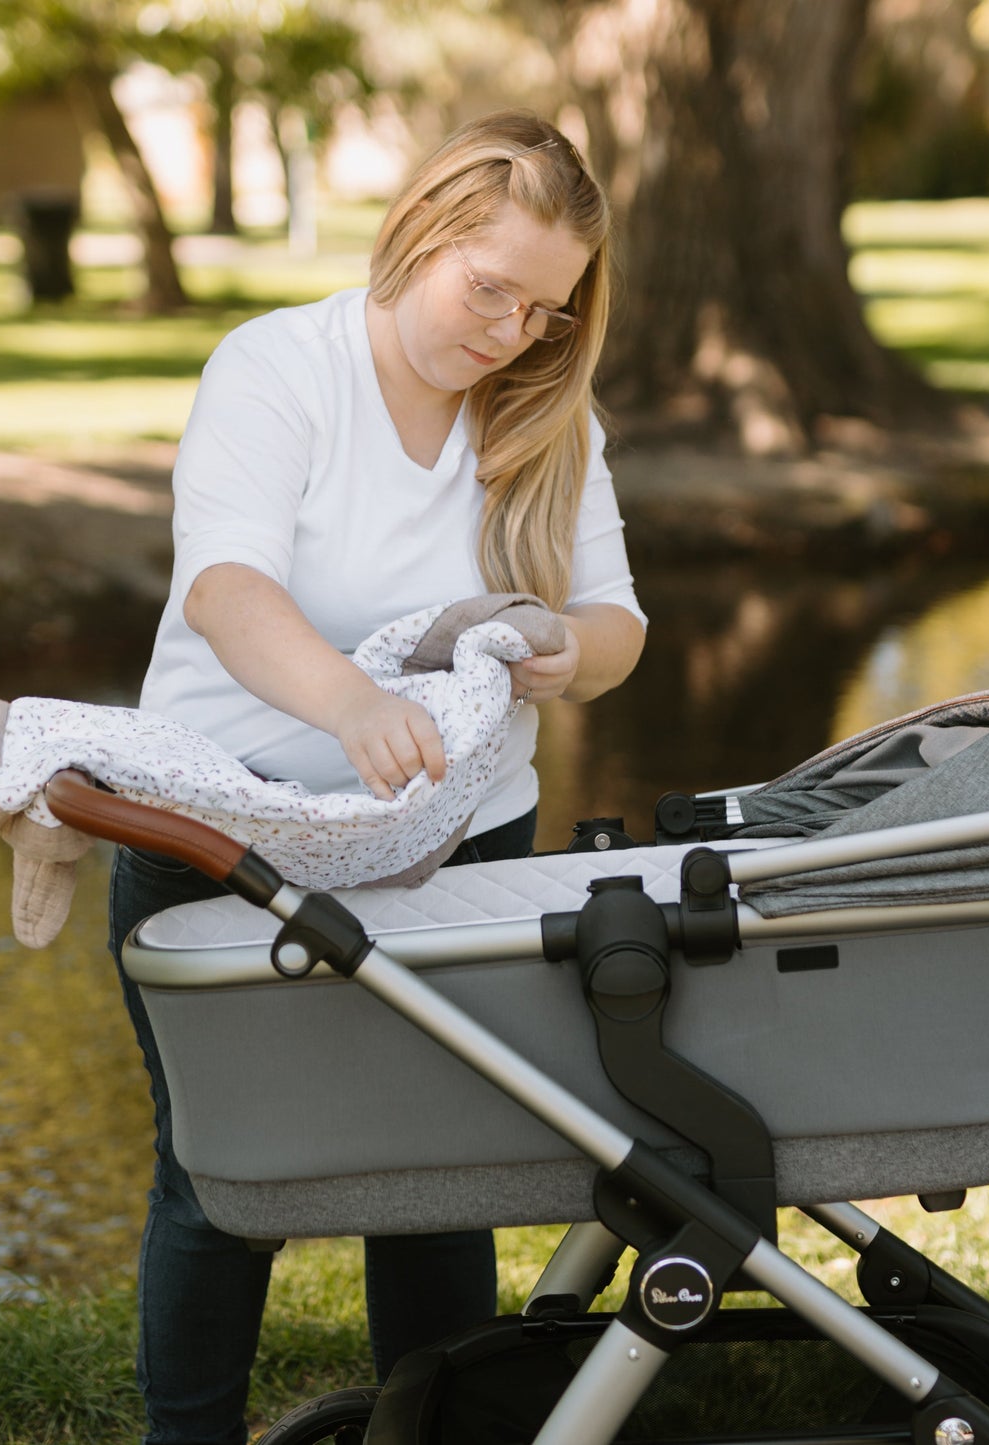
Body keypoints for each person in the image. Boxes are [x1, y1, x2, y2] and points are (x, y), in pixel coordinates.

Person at [108, 108, 647, 1445]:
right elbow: (226, 588)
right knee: (223, 1175)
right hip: (225, 832)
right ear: (423, 233)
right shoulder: (278, 368)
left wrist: (558, 647)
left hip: (464, 845)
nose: (511, 330)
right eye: (490, 289)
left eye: (544, 308)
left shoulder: (544, 414)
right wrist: (349, 700)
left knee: (437, 1168)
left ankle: (431, 1426)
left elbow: (619, 627)